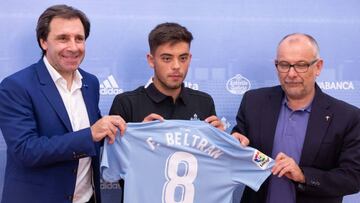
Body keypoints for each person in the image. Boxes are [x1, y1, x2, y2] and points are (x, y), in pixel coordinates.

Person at [0, 5, 125, 203]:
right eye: (63, 38)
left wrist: (139, 131)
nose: (74, 47)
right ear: (43, 42)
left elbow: (98, 135)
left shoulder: (90, 83)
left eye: (79, 38)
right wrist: (89, 134)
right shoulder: (16, 86)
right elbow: (25, 150)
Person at [232, 33, 360, 203]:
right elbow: (240, 147)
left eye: (301, 65)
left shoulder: (347, 116)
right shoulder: (253, 102)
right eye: (284, 65)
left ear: (318, 67)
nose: (291, 74)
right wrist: (232, 143)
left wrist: (304, 176)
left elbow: (353, 177)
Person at [109, 22, 225, 202]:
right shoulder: (126, 103)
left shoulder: (204, 102)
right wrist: (137, 140)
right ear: (150, 60)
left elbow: (213, 169)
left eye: (183, 58)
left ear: (190, 58)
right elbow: (113, 171)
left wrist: (221, 143)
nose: (176, 66)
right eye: (167, 58)